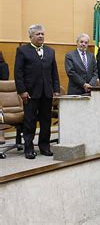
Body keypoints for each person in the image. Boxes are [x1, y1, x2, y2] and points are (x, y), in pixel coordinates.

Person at [14, 25, 60, 159]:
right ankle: (28, 148)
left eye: (42, 34)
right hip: (30, 93)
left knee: (46, 121)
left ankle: (44, 146)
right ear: (31, 36)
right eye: (38, 34)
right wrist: (22, 91)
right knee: (30, 121)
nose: (41, 36)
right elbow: (18, 73)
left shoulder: (50, 51)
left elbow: (54, 72)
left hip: (47, 92)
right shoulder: (22, 50)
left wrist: (56, 90)